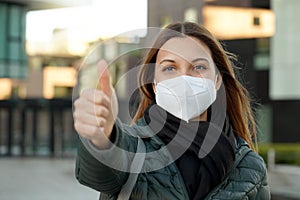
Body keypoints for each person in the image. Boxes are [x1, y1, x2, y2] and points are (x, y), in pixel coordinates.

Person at [73, 22, 270, 200]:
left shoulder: (250, 166)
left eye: (198, 67)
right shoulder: (132, 147)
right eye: (170, 68)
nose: (184, 78)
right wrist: (103, 138)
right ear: (155, 84)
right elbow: (100, 175)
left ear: (217, 80)